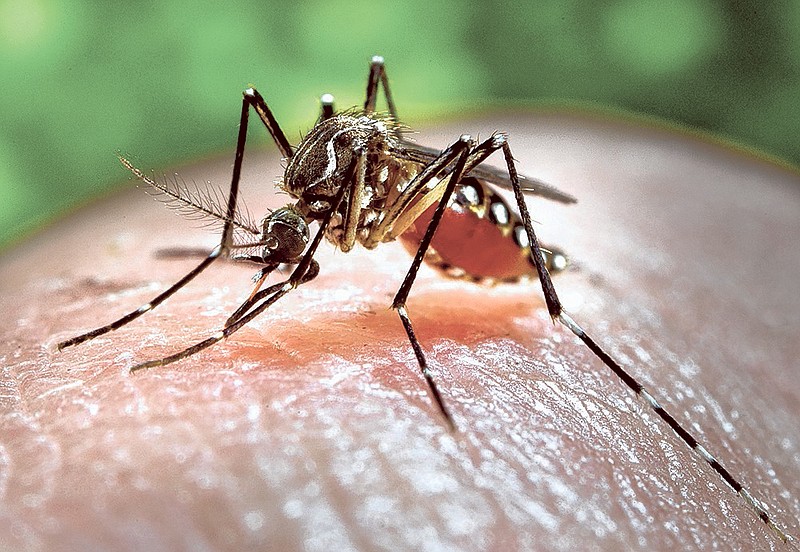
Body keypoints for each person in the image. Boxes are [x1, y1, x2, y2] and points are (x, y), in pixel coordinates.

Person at [2, 115, 798, 550]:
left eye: (283, 249)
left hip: (466, 222)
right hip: (396, 206)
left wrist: (402, 301)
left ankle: (556, 311)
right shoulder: (298, 194)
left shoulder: (338, 195)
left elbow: (456, 152)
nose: (284, 263)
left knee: (477, 149)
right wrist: (193, 272)